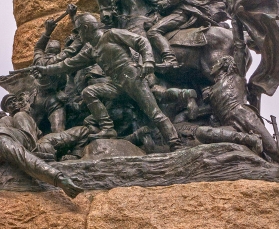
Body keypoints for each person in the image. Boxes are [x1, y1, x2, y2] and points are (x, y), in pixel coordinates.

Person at [37, 13, 181, 148]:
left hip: (132, 78)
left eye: (79, 31)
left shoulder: (111, 34)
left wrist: (148, 60)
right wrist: (45, 69)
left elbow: (140, 41)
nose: (79, 35)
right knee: (89, 92)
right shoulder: (92, 51)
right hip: (116, 84)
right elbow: (67, 64)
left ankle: (174, 141)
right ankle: (107, 129)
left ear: (86, 28)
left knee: (154, 112)